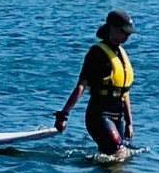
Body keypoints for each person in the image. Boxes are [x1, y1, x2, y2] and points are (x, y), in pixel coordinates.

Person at [54, 9, 135, 158]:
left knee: (118, 156)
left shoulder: (121, 53)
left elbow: (125, 93)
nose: (127, 36)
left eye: (129, 34)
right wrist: (64, 114)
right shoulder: (96, 52)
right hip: (99, 115)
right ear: (112, 28)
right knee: (120, 153)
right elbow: (81, 85)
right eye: (124, 32)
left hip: (118, 115)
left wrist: (129, 122)